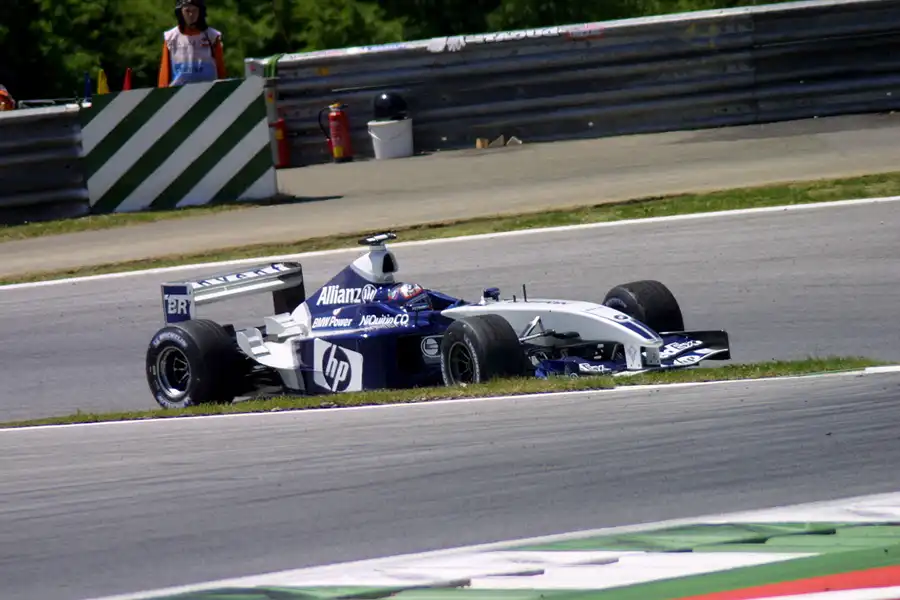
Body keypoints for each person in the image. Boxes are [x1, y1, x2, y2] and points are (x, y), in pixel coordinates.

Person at [158, 0, 227, 88]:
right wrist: (162, 92)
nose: (191, 15)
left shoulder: (212, 36)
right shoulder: (171, 37)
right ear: (180, 12)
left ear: (200, 12)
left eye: (194, 11)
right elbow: (165, 71)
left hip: (208, 91)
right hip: (178, 93)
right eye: (187, 11)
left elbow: (220, 68)